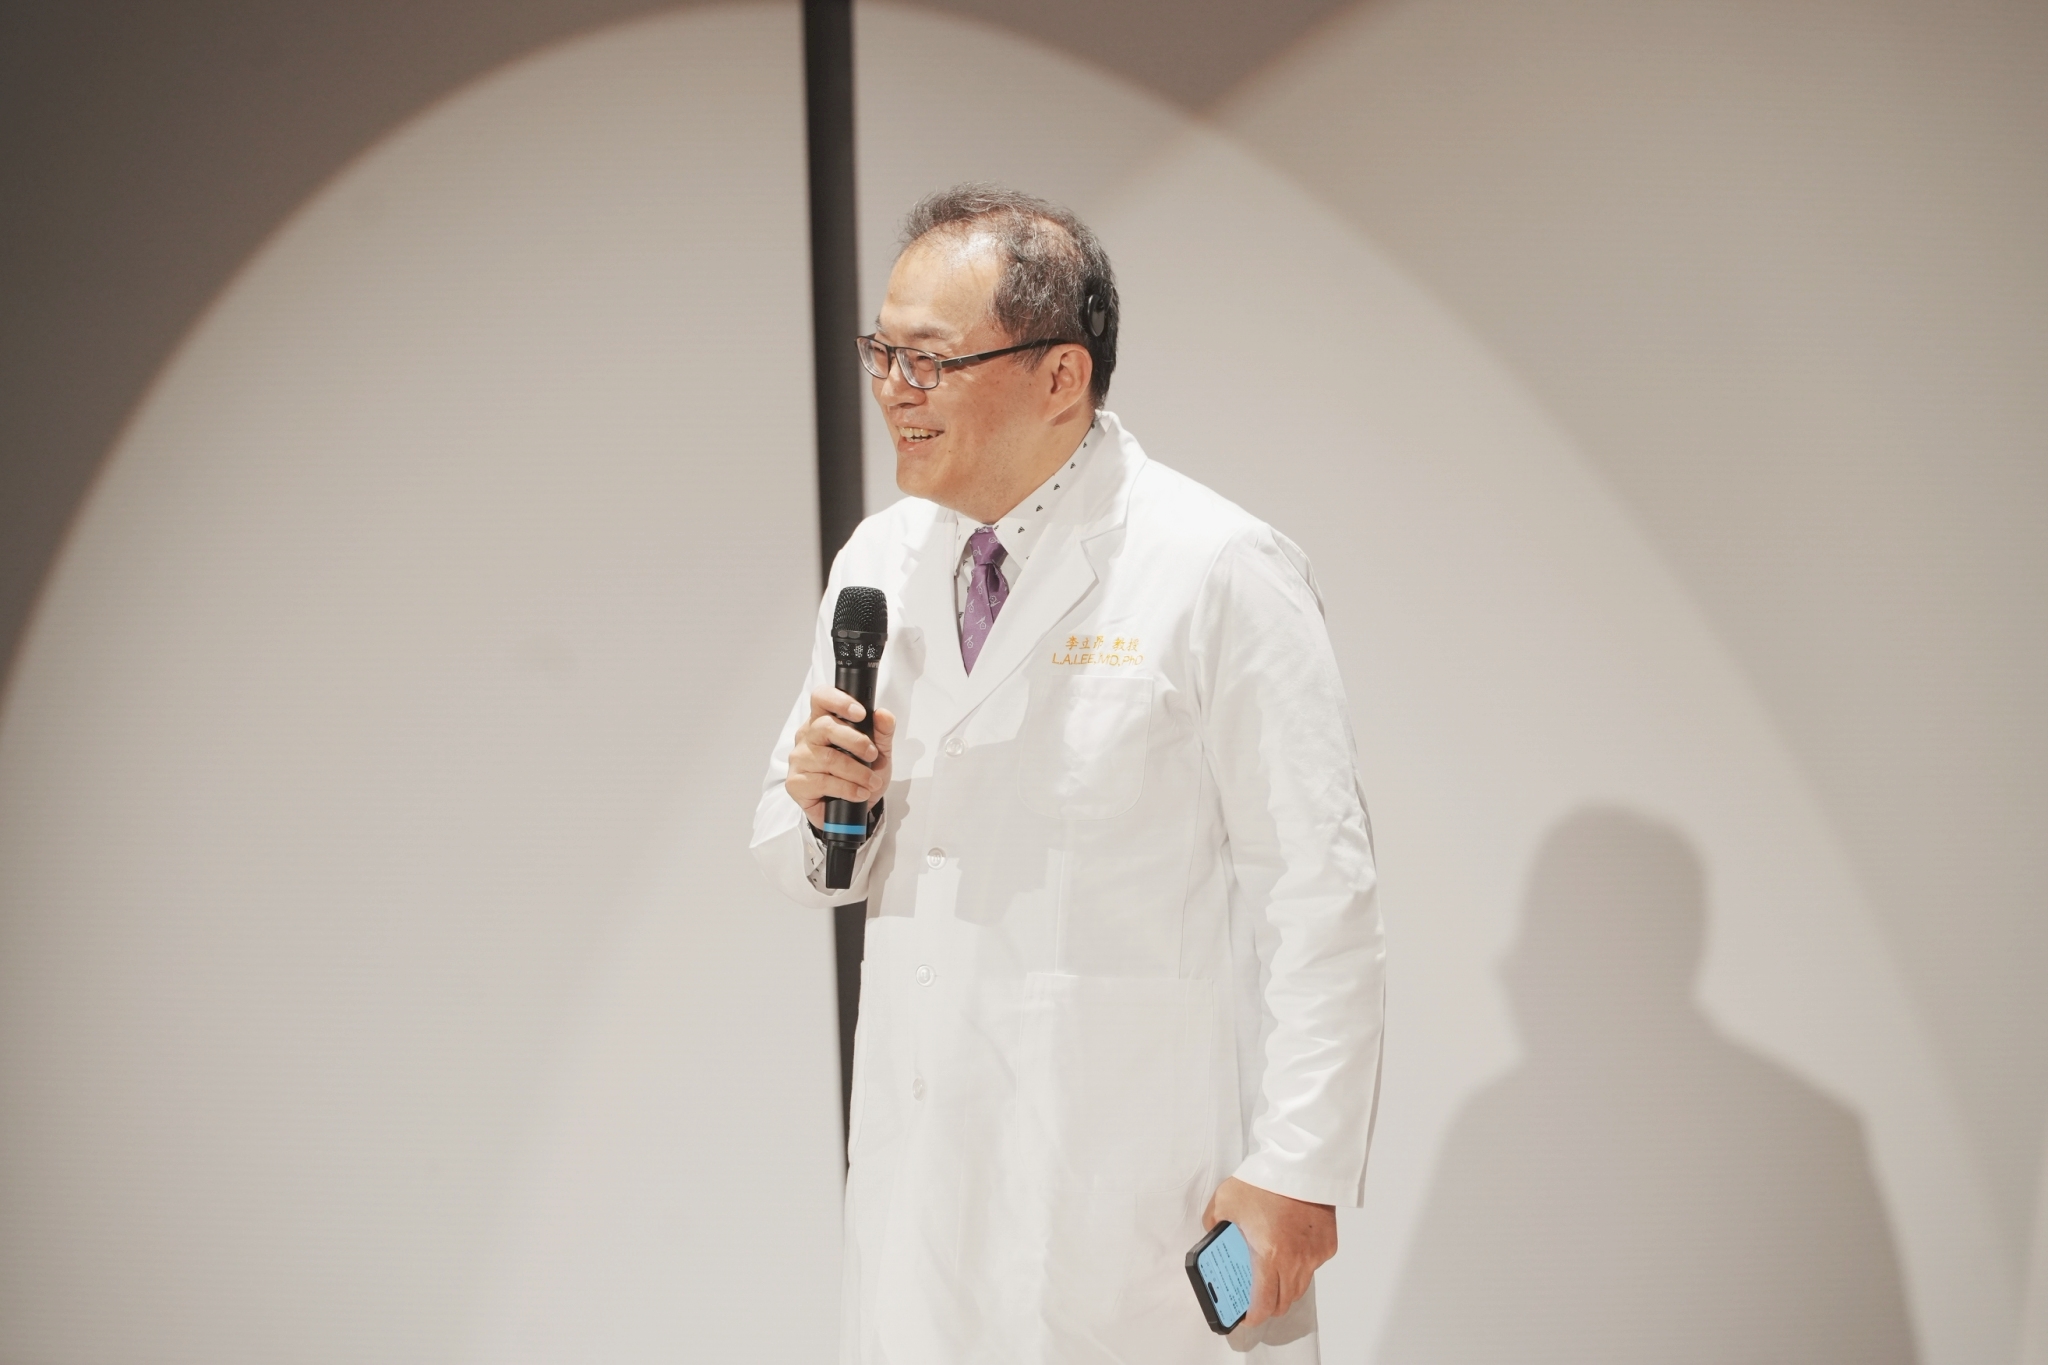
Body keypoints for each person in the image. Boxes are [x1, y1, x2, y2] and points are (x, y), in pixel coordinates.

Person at [751, 185, 1384, 1364]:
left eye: (930, 359)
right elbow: (803, 869)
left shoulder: (1214, 566)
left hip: (1127, 1200)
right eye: (881, 353)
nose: (894, 388)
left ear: (1059, 375)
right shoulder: (880, 557)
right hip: (922, 1185)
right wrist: (824, 805)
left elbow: (1319, 891)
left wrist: (1300, 1168)